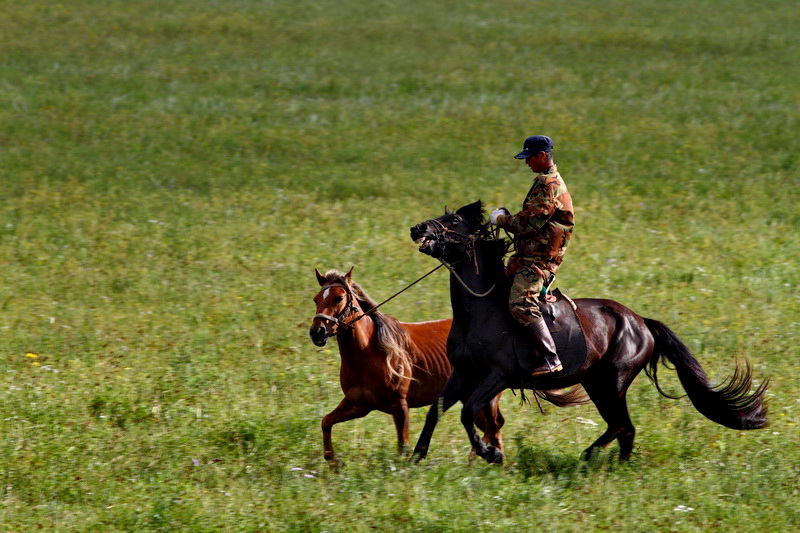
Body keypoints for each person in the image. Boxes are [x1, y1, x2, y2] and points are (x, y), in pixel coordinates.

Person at [490, 135, 574, 376]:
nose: (527, 163)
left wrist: (501, 220)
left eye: (530, 158)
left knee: (520, 303)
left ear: (542, 155)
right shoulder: (543, 182)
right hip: (527, 256)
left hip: (541, 261)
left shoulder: (549, 186)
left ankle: (550, 357)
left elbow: (529, 224)